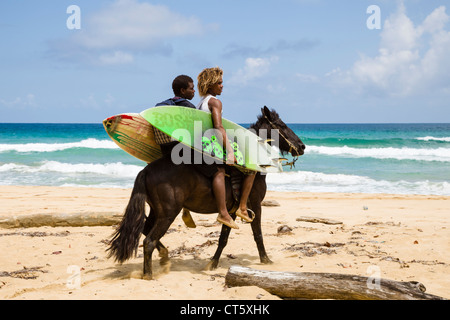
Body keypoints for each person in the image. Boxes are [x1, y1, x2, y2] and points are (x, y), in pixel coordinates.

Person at [196, 67, 255, 229]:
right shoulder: (215, 101)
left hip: (201, 143)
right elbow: (218, 127)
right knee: (252, 167)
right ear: (210, 84)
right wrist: (230, 151)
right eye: (219, 83)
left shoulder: (201, 102)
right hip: (212, 144)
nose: (222, 86)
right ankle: (242, 208)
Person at [154, 75, 196, 157]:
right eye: (191, 88)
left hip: (165, 151)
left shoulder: (163, 105)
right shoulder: (189, 107)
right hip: (183, 153)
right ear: (183, 90)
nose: (194, 91)